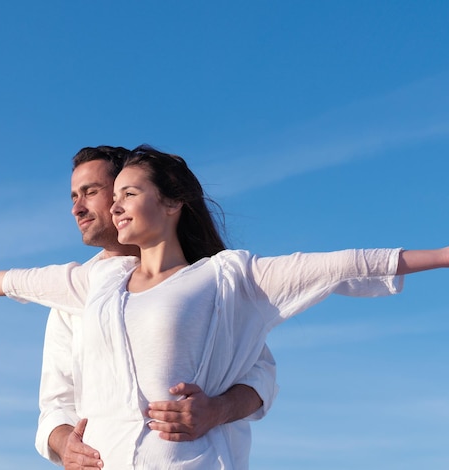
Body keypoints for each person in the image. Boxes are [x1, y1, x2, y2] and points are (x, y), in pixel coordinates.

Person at [0, 145, 449, 469]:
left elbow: (337, 264)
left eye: (122, 193)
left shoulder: (227, 280)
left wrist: (446, 255)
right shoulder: (89, 287)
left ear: (172, 203)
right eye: (104, 196)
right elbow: (24, 282)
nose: (105, 207)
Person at [38, 146, 277, 469]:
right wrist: (65, 443)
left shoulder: (207, 283)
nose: (77, 209)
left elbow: (260, 375)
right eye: (73, 197)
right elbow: (55, 403)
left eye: (91, 192)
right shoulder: (76, 295)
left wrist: (217, 410)